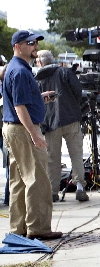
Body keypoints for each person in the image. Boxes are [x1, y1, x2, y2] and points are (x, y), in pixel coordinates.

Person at [1, 31, 62, 240]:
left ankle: (18, 228)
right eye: (30, 43)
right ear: (18, 46)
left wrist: (39, 98)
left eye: (36, 42)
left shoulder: (16, 68)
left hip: (13, 128)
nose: (35, 46)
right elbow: (19, 107)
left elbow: (21, 102)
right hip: (22, 129)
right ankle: (38, 228)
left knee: (18, 180)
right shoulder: (19, 71)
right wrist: (34, 134)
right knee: (37, 179)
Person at [34, 50, 89, 203]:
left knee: (52, 158)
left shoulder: (37, 79)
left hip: (50, 122)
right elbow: (78, 92)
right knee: (76, 155)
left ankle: (53, 191)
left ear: (39, 62)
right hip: (71, 118)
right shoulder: (65, 72)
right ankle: (80, 187)